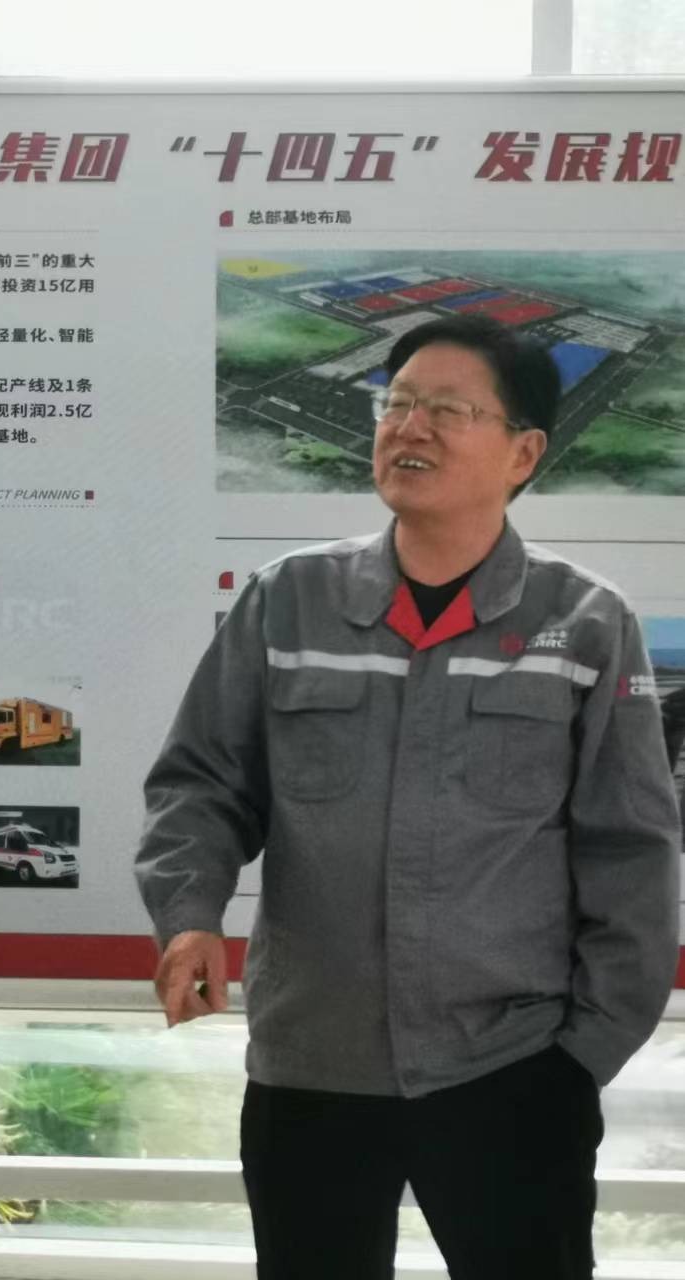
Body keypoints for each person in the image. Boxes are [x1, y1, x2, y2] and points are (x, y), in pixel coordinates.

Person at [136, 314, 680, 1279]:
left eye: (448, 410)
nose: (409, 428)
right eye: (397, 404)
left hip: (512, 1068)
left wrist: (583, 1058)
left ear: (524, 452)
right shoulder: (287, 601)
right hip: (313, 1066)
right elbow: (202, 781)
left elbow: (630, 850)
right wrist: (188, 915)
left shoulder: (586, 623)